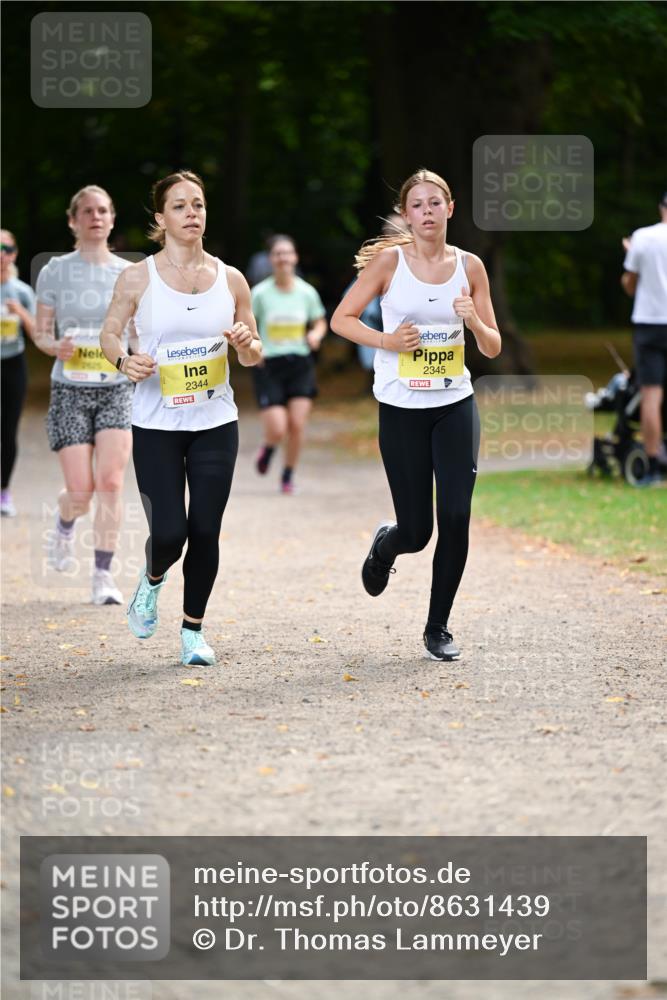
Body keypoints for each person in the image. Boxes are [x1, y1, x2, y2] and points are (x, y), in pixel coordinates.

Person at [331, 168, 501, 661]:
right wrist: (386, 341)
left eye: (435, 203)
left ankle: (438, 626)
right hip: (402, 407)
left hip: (454, 404)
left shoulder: (471, 267)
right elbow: (341, 319)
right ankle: (387, 546)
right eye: (417, 205)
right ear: (407, 215)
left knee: (456, 514)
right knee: (417, 530)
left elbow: (491, 346)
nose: (427, 212)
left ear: (450, 208)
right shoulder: (389, 263)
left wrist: (472, 319)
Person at [99, 170, 262, 666]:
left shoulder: (231, 278)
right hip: (156, 425)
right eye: (180, 206)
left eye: (198, 204)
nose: (193, 213)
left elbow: (255, 353)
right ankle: (151, 581)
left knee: (206, 529)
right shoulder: (137, 277)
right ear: (160, 219)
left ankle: (193, 631)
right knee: (170, 532)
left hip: (215, 423)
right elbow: (108, 336)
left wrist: (245, 345)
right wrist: (125, 361)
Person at [34, 186, 133, 604]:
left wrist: (137, 359)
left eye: (104, 211)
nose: (96, 216)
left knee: (111, 482)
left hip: (115, 389)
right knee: (81, 490)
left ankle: (102, 577)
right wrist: (53, 346)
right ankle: (64, 522)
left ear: (112, 220)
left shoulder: (129, 274)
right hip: (70, 389)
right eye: (88, 211)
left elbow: (139, 332)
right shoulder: (54, 271)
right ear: (74, 220)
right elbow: (40, 332)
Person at [251, 234, 327, 493]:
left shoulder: (307, 292)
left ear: (295, 257)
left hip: (300, 364)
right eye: (277, 253)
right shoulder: (260, 294)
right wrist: (254, 346)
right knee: (277, 428)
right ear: (271, 259)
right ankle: (269, 448)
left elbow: (319, 321)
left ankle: (287, 474)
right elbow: (247, 324)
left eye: (288, 253)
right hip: (269, 365)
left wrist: (315, 334)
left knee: (297, 424)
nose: (283, 258)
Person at [621, 192, 667, 485]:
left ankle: (652, 465)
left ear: (662, 207)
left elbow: (629, 285)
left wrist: (630, 253)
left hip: (650, 323)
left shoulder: (643, 237)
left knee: (651, 395)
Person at [1, 229, 36, 516]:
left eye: (7, 249)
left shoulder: (22, 291)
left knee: (8, 431)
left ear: (14, 254)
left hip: (13, 364)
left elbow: (39, 334)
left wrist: (20, 313)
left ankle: (4, 492)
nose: (2, 254)